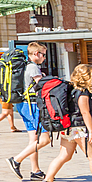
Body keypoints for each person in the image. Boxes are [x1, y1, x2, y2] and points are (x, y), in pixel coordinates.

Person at [8, 42, 51, 180]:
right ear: (36, 54)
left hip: (23, 105)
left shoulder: (25, 66)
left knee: (34, 139)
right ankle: (16, 160)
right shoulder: (33, 67)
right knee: (45, 139)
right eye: (43, 55)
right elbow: (42, 86)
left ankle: (35, 171)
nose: (44, 58)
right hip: (32, 106)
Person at [45, 63, 92, 181]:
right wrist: (91, 131)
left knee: (64, 155)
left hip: (68, 127)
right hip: (80, 128)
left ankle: (48, 178)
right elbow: (85, 112)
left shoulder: (71, 90)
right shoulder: (83, 92)